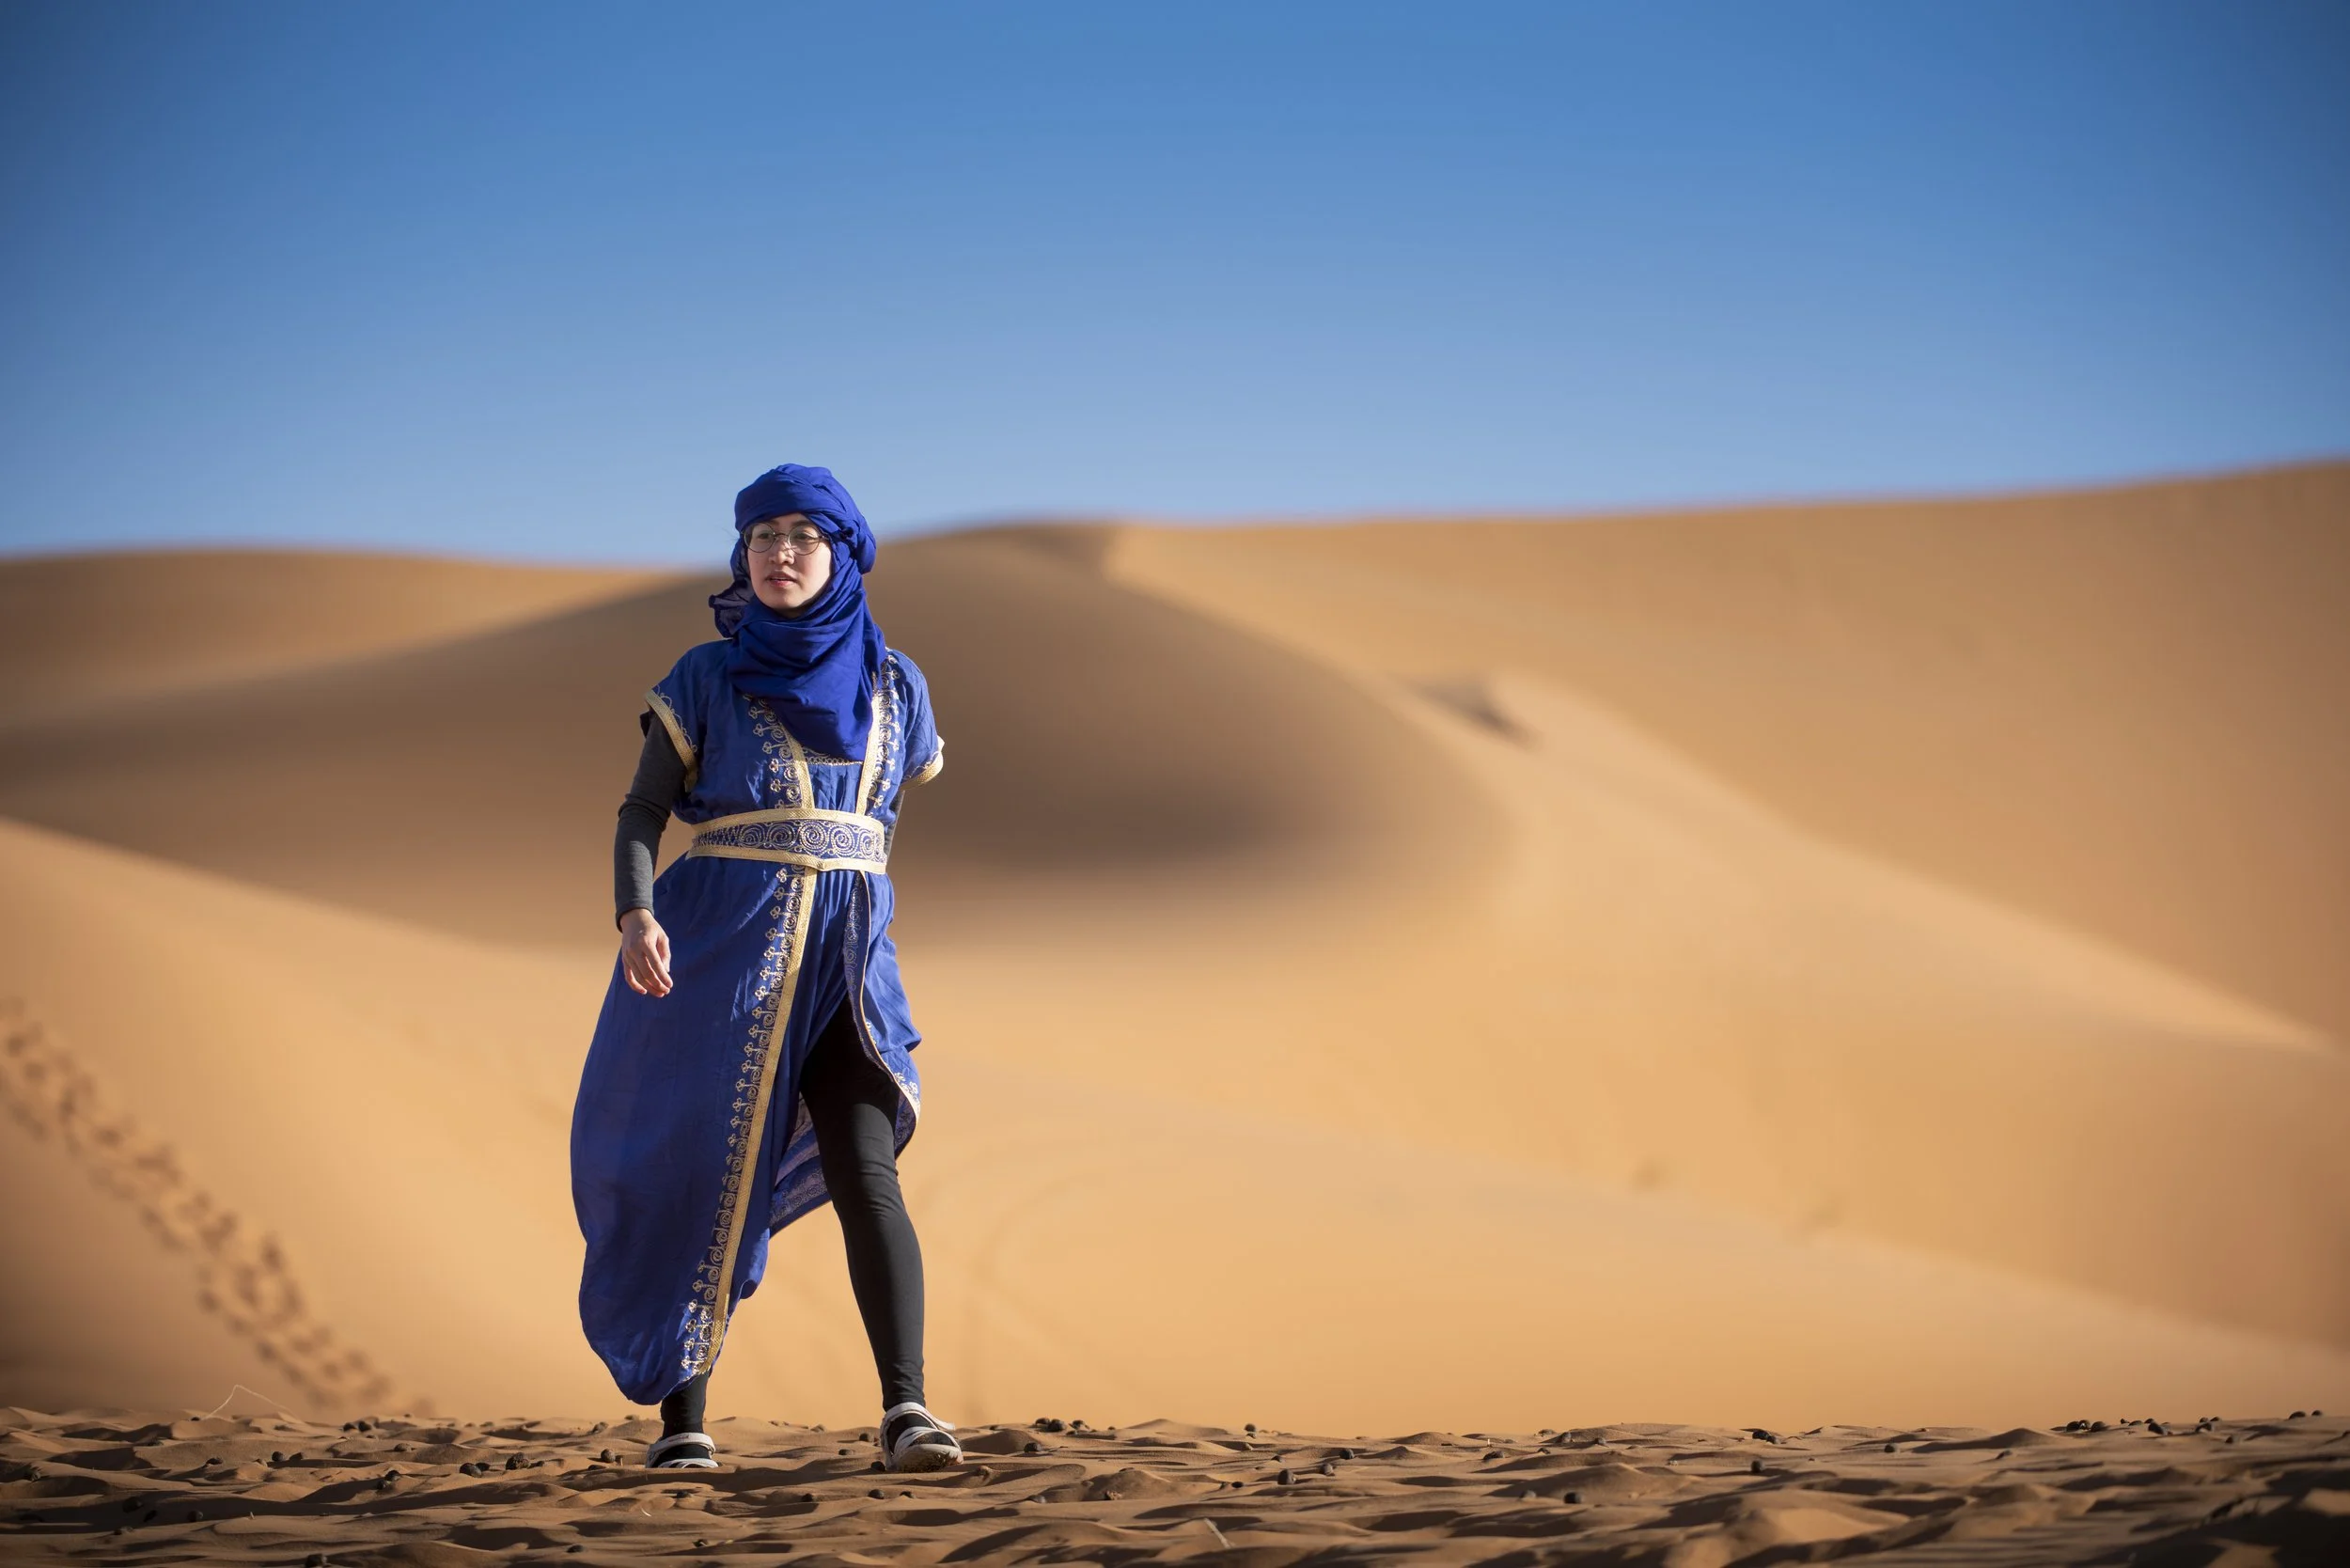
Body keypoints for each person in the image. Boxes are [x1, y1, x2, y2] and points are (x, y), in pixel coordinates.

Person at [570, 463, 958, 1473]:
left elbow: (882, 825)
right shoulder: (705, 676)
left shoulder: (896, 685)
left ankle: (909, 1411)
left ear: (843, 552)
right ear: (741, 554)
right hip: (713, 964)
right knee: (698, 1174)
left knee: (866, 1167)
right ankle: (684, 1425)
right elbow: (640, 812)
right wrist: (635, 912)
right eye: (762, 536)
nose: (780, 554)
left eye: (803, 535)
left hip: (850, 968)